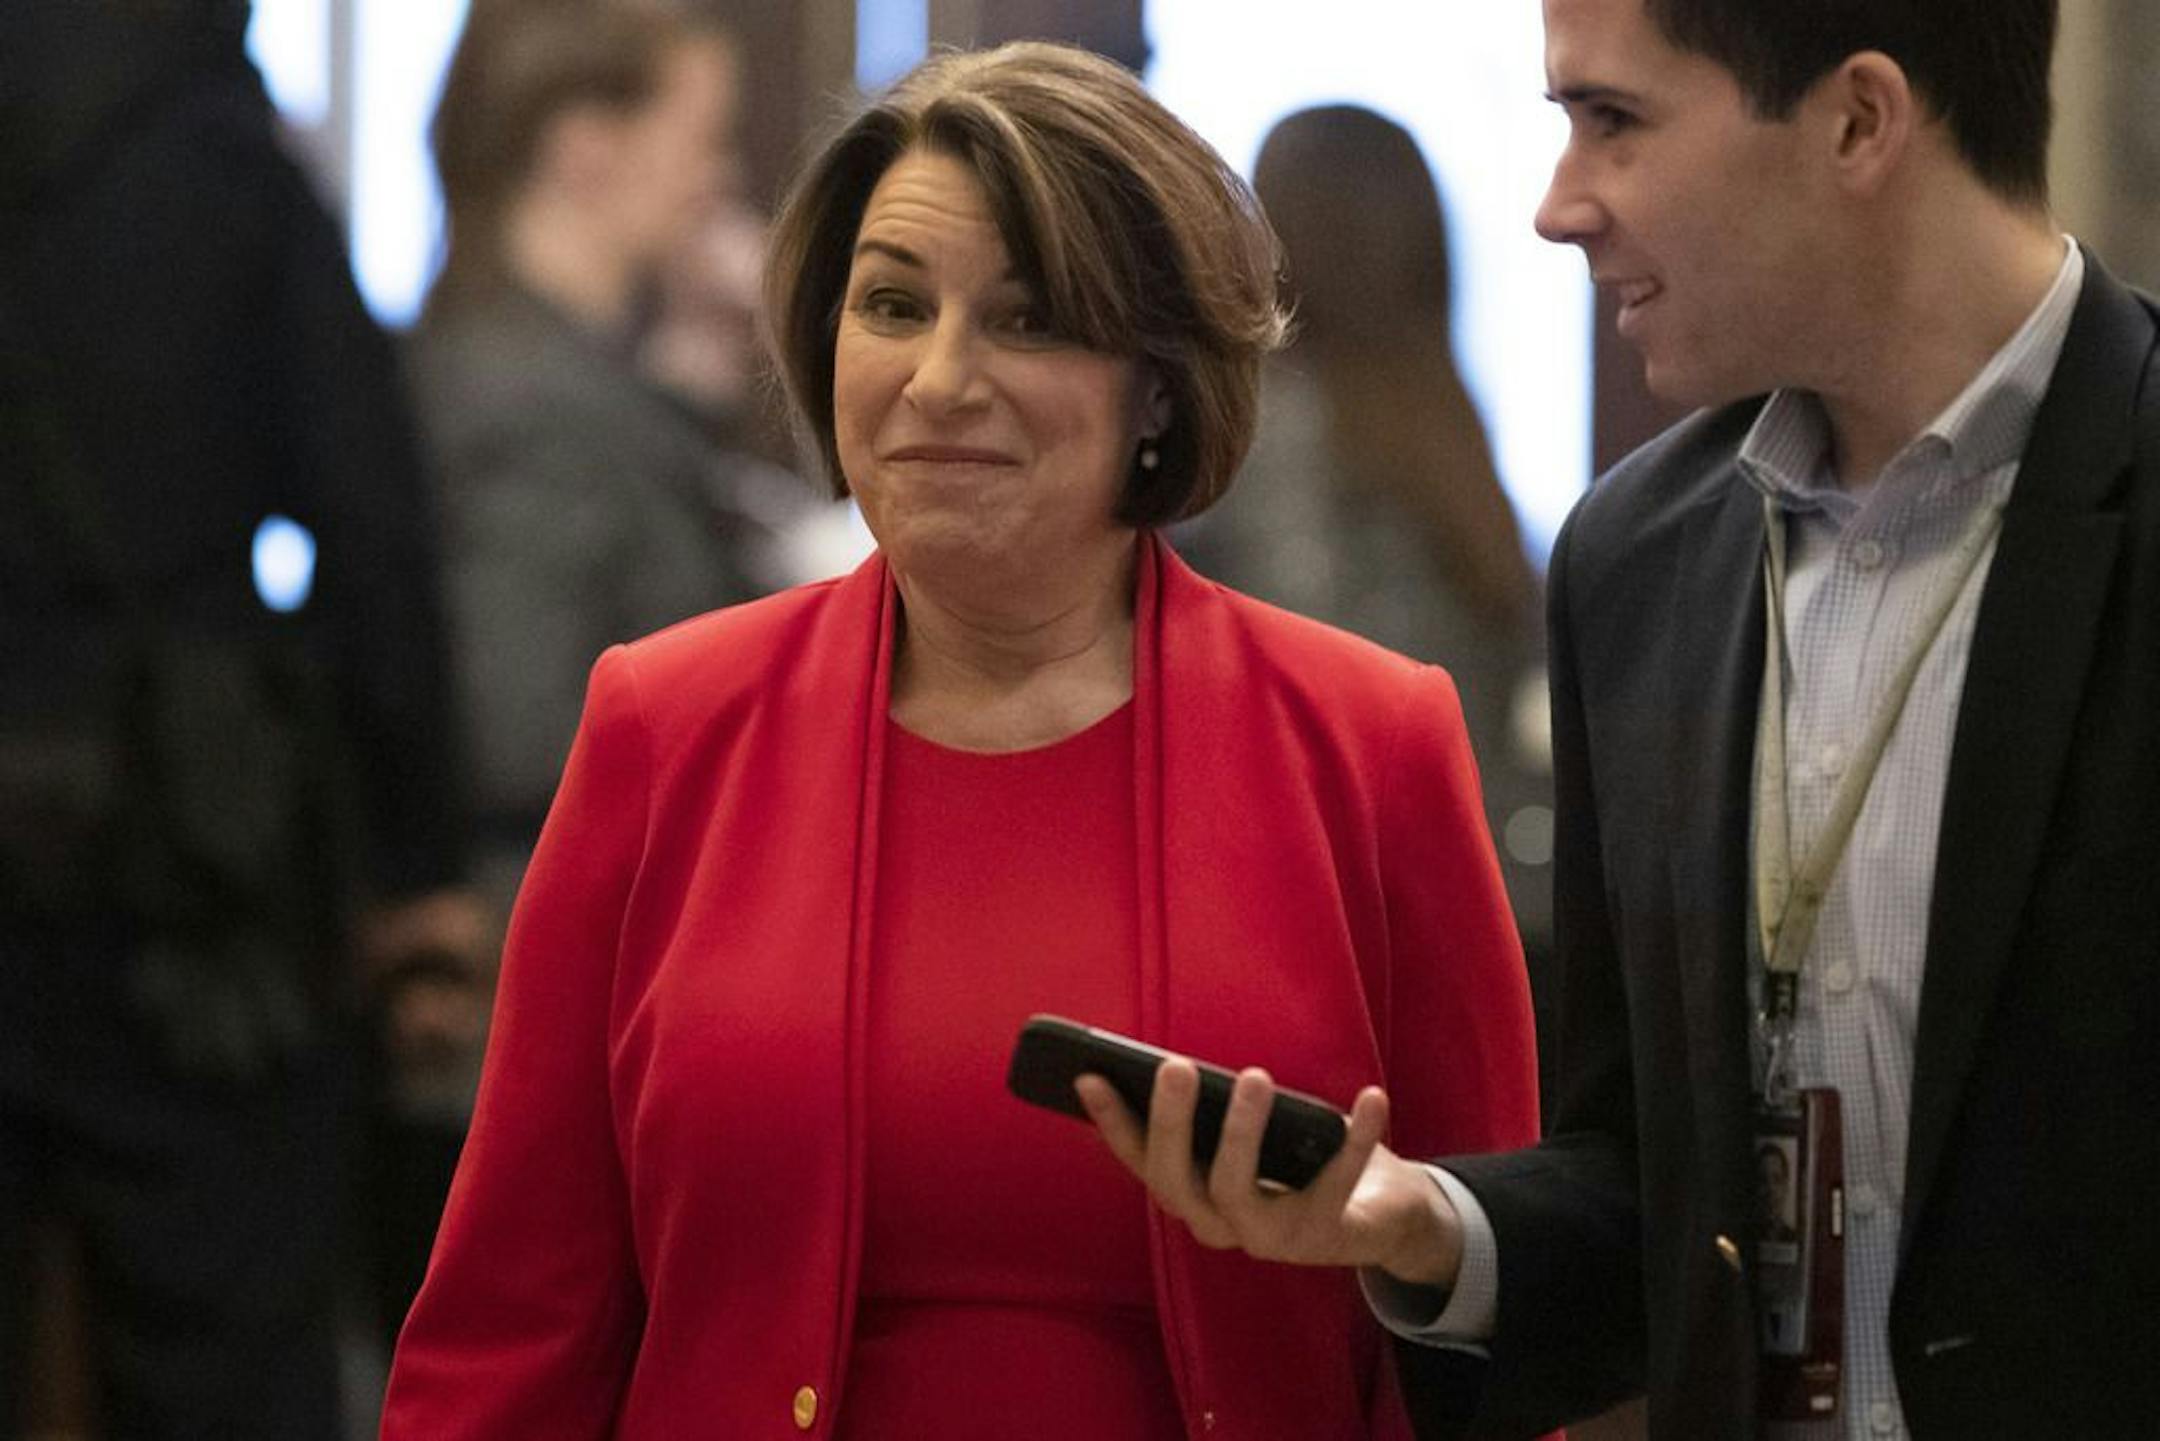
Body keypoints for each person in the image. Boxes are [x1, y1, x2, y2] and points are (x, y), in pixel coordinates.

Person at [381, 40, 1539, 1440]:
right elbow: (513, 1326)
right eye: (890, 305)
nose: (937, 379)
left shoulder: (1368, 746)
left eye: (1028, 319)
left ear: (1156, 387)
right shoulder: (665, 726)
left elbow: (1499, 1317)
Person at [1082, 1, 2160, 1437]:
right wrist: (1432, 1228)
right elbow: (1649, 1179)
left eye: (1614, 121)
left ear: (1857, 122)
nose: (1554, 207)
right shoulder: (1639, 559)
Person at [0, 1, 483, 1435]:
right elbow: (371, 528)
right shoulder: (225, 167)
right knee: (225, 1348)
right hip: (196, 863)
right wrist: (417, 862)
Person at [412, 0, 807, 918]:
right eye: (701, 138)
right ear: (585, 146)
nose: (719, 179)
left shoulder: (534, 370)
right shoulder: (526, 406)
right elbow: (520, 731)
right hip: (564, 925)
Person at [1179, 102, 1552, 1007]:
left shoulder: (1273, 435)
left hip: (1326, 927)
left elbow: (1316, 682)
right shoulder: (1448, 437)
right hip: (1491, 910)